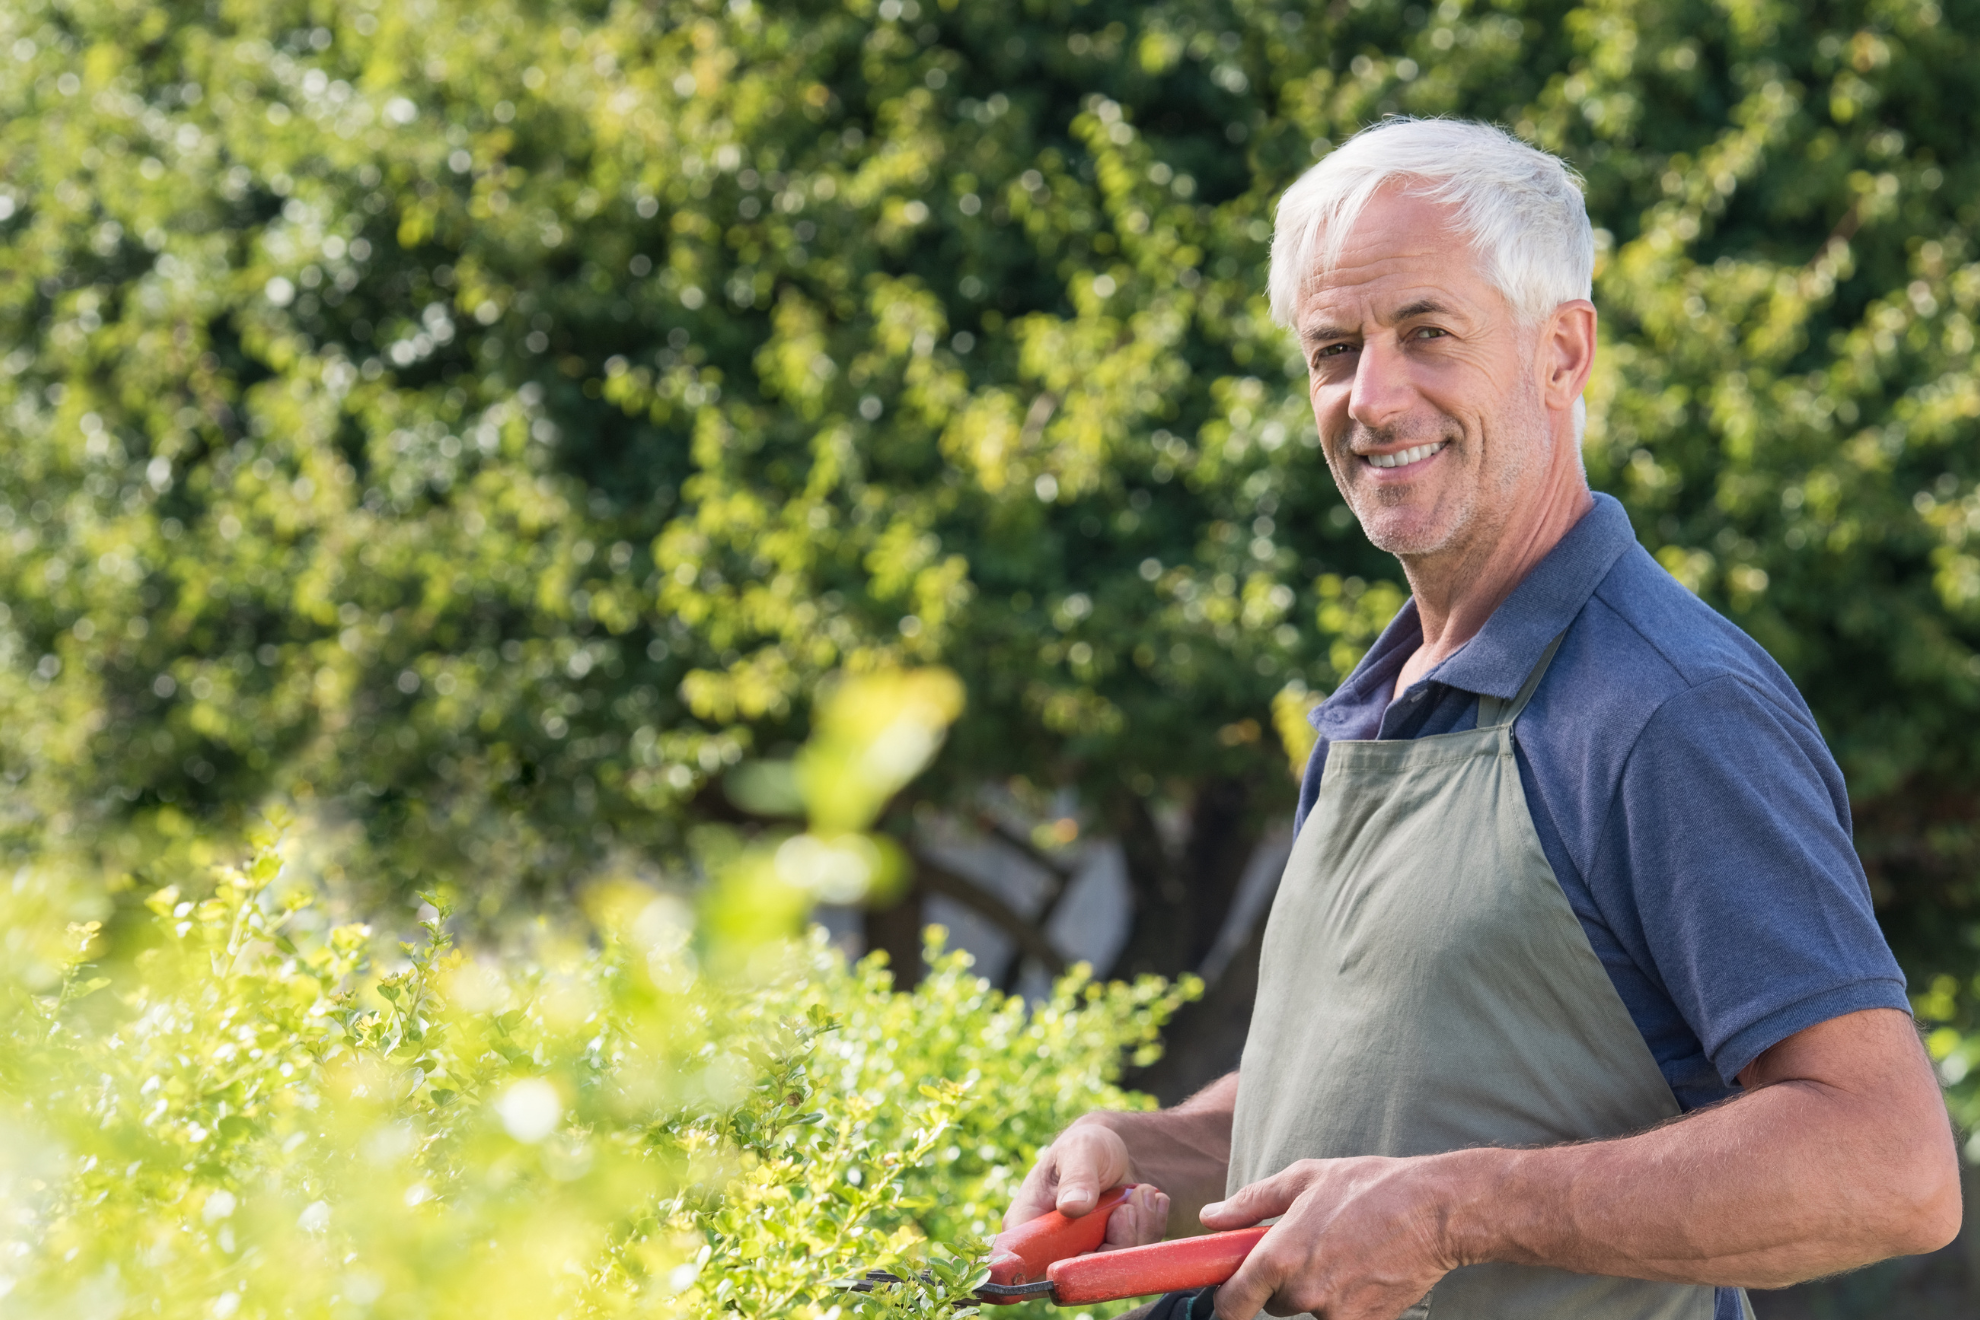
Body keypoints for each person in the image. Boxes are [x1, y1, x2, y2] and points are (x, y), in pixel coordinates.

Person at [1003, 119, 1960, 1320]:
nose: (1373, 396)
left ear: (1562, 352)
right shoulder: (1386, 700)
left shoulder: (1670, 707)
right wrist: (1149, 1147)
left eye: (1427, 334)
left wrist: (1456, 1213)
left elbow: (1890, 1170)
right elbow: (1398, 1084)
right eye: (1334, 349)